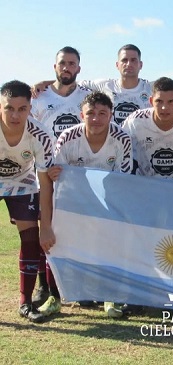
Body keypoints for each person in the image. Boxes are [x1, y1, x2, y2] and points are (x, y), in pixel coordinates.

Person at [43, 91, 133, 318]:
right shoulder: (68, 137)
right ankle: (54, 296)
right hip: (72, 202)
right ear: (81, 114)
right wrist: (54, 174)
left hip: (107, 201)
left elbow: (124, 179)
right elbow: (58, 175)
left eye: (102, 113)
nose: (96, 118)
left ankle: (110, 296)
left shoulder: (122, 139)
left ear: (111, 115)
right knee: (58, 245)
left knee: (110, 247)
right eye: (91, 113)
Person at [30, 46, 91, 306]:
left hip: (76, 175)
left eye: (72, 64)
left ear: (79, 68)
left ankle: (80, 287)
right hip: (45, 173)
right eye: (62, 63)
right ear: (54, 66)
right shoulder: (38, 97)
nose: (67, 67)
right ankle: (45, 287)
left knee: (78, 230)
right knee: (44, 229)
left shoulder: (89, 94)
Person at [0, 80, 55, 323]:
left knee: (32, 238)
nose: (15, 115)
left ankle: (25, 302)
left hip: (22, 182)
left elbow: (45, 184)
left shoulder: (40, 135)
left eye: (22, 109)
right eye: (9, 108)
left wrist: (46, 226)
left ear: (30, 108)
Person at [122, 77, 173, 181]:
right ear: (151, 101)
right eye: (159, 101)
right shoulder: (135, 120)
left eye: (171, 101)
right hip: (146, 183)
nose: (164, 107)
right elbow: (119, 144)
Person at [79, 44, 152, 125]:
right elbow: (76, 85)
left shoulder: (151, 89)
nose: (129, 64)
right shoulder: (106, 85)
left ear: (141, 65)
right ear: (117, 65)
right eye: (124, 60)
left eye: (133, 60)